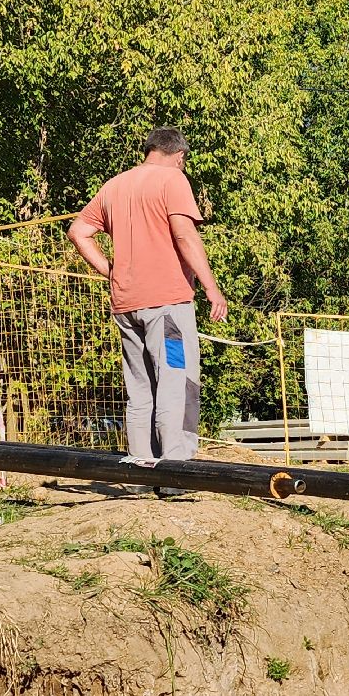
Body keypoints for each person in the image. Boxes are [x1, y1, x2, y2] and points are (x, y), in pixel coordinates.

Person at [67, 127, 227, 468]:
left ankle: (140, 467)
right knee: (176, 380)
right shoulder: (173, 181)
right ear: (179, 156)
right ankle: (176, 468)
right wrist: (211, 287)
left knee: (140, 389)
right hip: (167, 306)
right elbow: (185, 234)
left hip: (126, 305)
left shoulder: (114, 186)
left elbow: (78, 232)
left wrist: (111, 271)